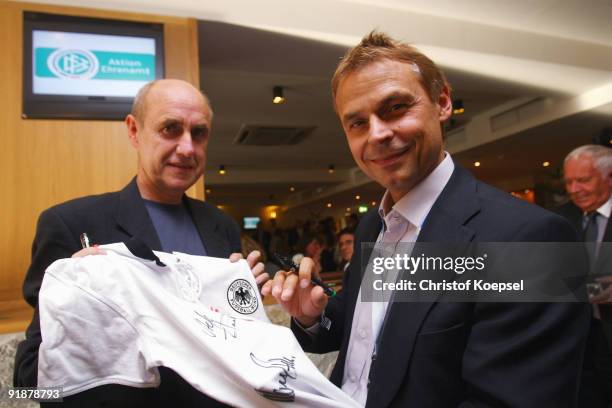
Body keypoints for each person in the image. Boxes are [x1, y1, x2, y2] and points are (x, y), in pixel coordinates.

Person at [263, 31, 590, 407]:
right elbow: (367, 340)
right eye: (357, 123)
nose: (378, 134)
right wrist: (312, 317)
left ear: (443, 103)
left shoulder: (529, 240)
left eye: (395, 107)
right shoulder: (373, 226)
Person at [14, 79, 268, 407]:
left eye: (199, 133)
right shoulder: (71, 224)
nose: (188, 148)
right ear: (134, 131)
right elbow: (29, 381)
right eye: (170, 129)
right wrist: (83, 310)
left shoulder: (221, 227)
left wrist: (247, 304)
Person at [558, 144, 612, 407]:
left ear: (609, 176)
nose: (573, 190)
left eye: (583, 180)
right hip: (578, 341)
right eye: (569, 181)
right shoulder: (560, 219)